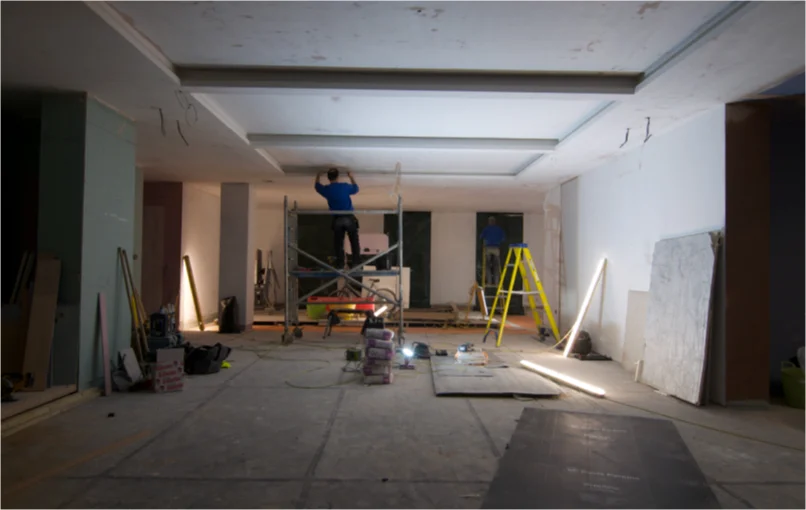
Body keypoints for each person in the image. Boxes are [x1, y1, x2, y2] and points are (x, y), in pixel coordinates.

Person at [315, 168, 361, 269]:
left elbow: (317, 187)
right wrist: (351, 177)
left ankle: (340, 264)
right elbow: (356, 189)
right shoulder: (344, 186)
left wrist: (318, 175)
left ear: (328, 178)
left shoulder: (327, 190)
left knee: (338, 243)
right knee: (354, 241)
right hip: (348, 217)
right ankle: (356, 262)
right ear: (338, 177)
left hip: (337, 219)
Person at [480, 216, 506, 286]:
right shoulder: (499, 229)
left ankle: (489, 282)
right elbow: (503, 239)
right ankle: (496, 282)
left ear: (489, 222)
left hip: (488, 248)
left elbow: (481, 236)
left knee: (487, 265)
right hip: (496, 248)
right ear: (495, 222)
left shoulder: (486, 229)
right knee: (496, 265)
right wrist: (498, 240)